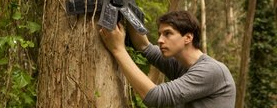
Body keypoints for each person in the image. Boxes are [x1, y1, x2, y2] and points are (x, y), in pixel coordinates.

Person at [99, 10, 236, 107]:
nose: (160, 40)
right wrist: (126, 7)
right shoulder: (182, 65)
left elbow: (155, 97)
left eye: (167, 34)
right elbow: (144, 47)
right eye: (160, 34)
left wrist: (118, 50)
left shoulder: (211, 70)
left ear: (188, 37)